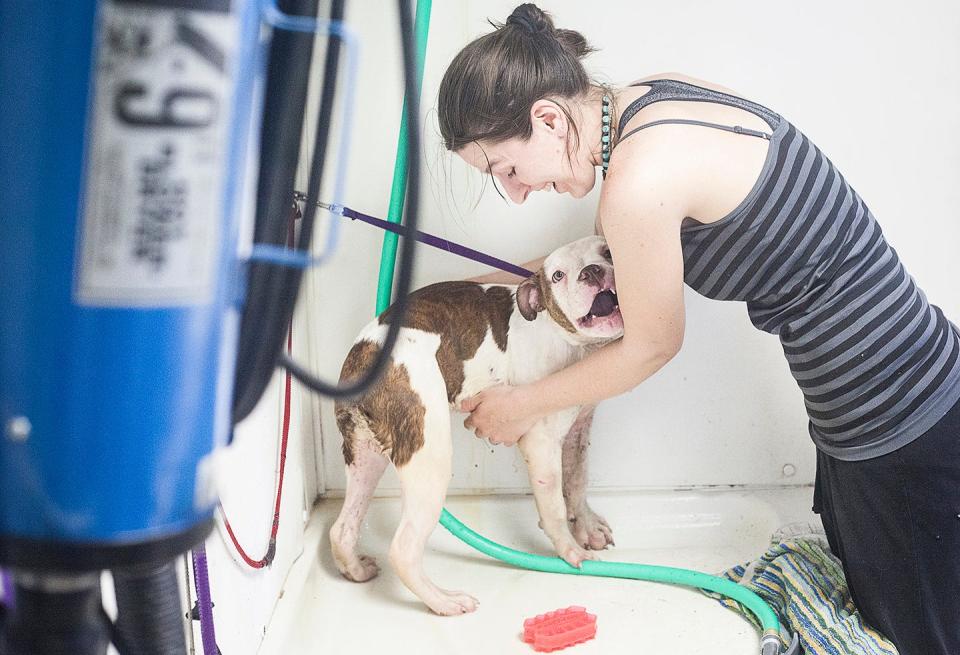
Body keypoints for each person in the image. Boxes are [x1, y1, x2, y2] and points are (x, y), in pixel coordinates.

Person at [436, 4, 960, 654]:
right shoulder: (653, 101)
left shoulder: (636, 182)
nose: (516, 193)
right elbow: (609, 252)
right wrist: (461, 292)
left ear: (547, 119)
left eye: (506, 170)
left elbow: (651, 344)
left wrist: (521, 404)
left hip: (894, 421)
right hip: (912, 377)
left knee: (920, 635)